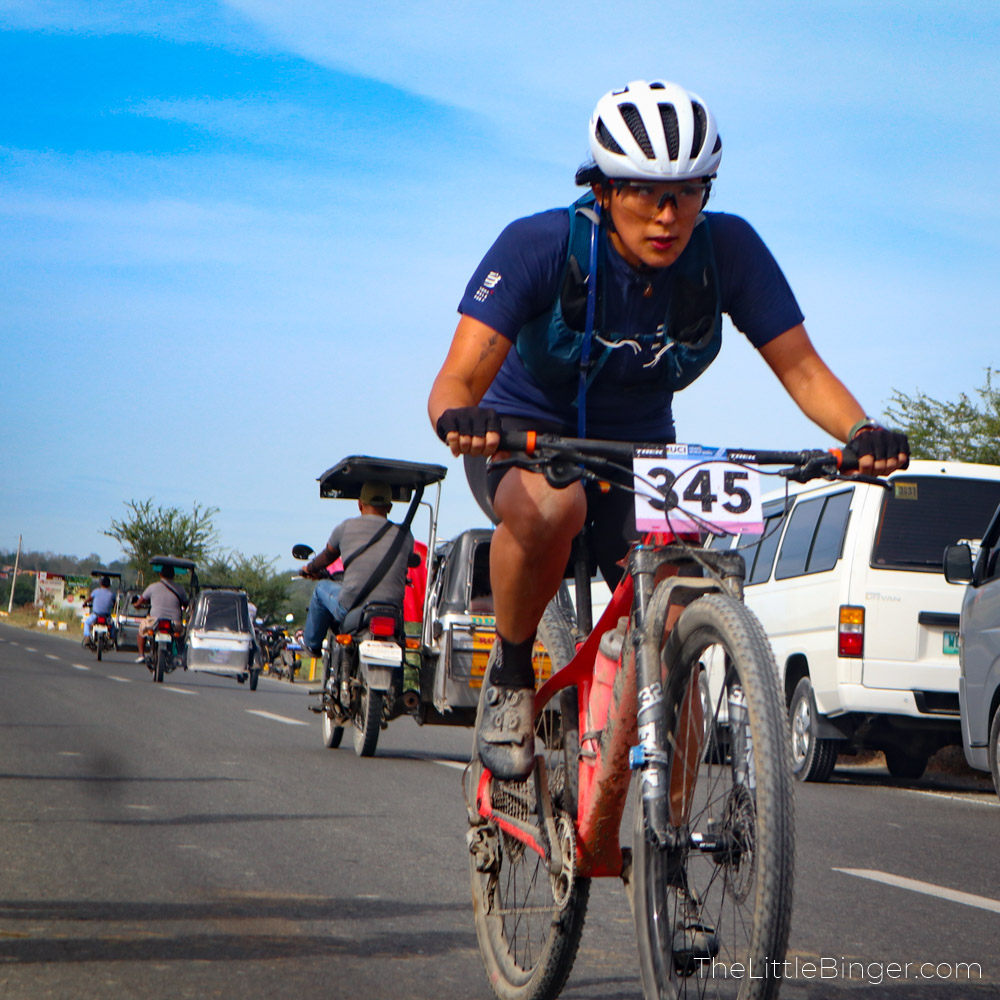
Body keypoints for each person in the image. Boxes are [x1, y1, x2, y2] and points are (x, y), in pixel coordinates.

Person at [427, 79, 910, 781]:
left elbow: (803, 370)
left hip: (640, 449)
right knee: (554, 509)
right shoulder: (539, 244)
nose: (667, 214)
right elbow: (457, 377)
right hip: (524, 433)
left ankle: (670, 859)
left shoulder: (728, 251)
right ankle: (509, 676)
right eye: (644, 192)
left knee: (680, 603)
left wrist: (862, 430)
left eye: (687, 192)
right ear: (601, 190)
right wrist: (460, 419)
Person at [299, 481, 415, 656]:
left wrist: (308, 568)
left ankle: (312, 645)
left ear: (360, 504)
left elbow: (326, 557)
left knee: (320, 589)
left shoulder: (345, 527)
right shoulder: (405, 535)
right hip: (393, 610)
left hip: (352, 606)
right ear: (389, 507)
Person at [133, 564, 188, 663]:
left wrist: (137, 605)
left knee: (141, 632)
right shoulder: (180, 588)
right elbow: (186, 603)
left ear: (160, 574)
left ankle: (141, 655)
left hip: (154, 621)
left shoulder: (152, 587)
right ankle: (180, 656)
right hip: (175, 622)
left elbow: (141, 600)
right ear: (173, 575)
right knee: (181, 636)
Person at [82, 575, 116, 647]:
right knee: (112, 626)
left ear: (100, 583)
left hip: (96, 615)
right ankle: (112, 639)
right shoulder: (112, 594)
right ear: (109, 585)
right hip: (107, 617)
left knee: (87, 623)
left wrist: (84, 603)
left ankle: (87, 637)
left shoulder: (96, 591)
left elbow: (89, 599)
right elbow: (115, 603)